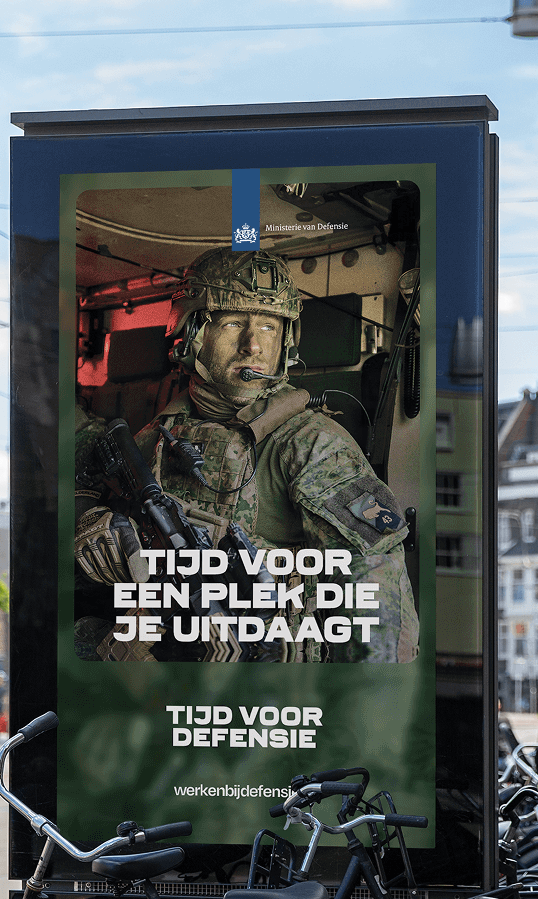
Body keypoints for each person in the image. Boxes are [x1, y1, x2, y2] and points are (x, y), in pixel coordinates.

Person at [71, 247, 418, 664]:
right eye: (234, 322)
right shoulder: (155, 437)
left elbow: (375, 583)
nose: (253, 345)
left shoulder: (310, 443)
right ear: (193, 333)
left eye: (269, 327)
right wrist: (93, 524)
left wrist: (359, 723)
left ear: (286, 341)